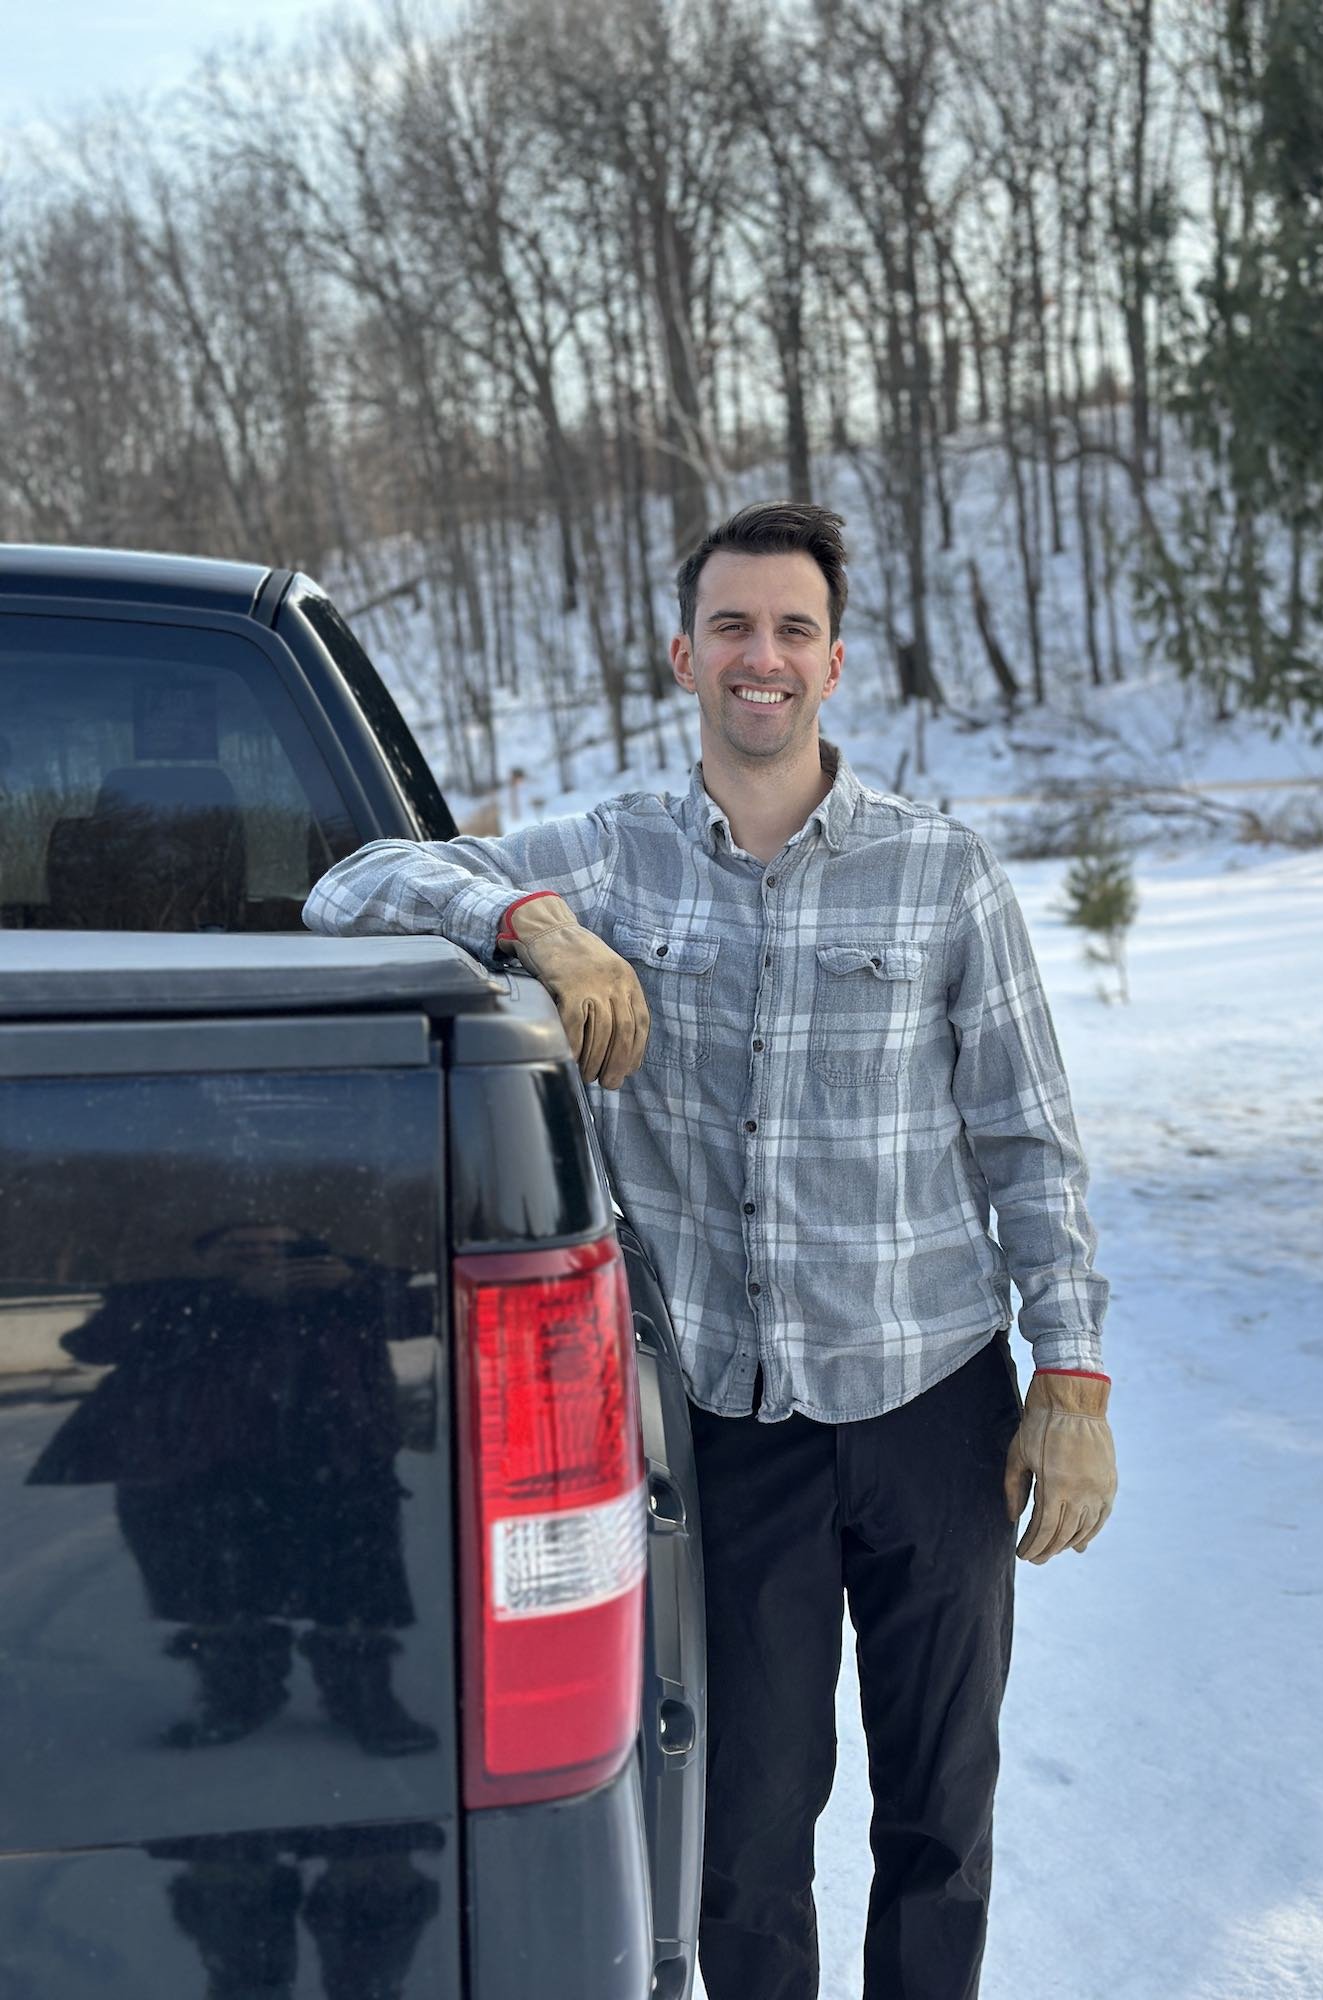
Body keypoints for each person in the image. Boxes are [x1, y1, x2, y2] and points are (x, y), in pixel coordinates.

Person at [302, 500, 1117, 2000]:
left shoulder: (942, 875)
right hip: (733, 1436)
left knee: (943, 1814)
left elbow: (1029, 1147)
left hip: (933, 1403)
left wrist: (1071, 1381)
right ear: (686, 655)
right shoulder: (606, 854)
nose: (764, 657)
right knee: (744, 1841)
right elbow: (349, 885)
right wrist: (535, 923)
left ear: (836, 662)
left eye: (793, 629)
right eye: (734, 627)